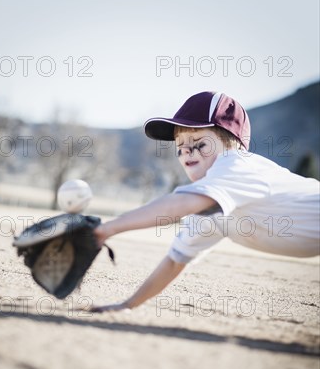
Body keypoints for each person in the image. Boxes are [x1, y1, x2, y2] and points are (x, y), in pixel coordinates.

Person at [93, 91, 320, 312]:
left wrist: (107, 229)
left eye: (200, 144)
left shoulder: (235, 164)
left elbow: (176, 206)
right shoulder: (209, 205)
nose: (187, 152)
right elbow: (174, 261)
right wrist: (127, 305)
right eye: (180, 147)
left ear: (233, 145)